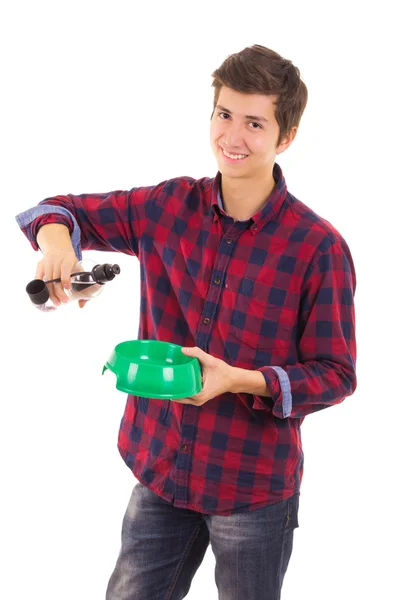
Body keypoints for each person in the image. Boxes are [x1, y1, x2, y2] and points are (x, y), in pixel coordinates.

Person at [15, 44, 357, 600]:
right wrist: (58, 247)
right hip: (161, 466)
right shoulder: (168, 207)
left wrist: (243, 379)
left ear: (285, 136)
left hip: (252, 486)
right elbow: (57, 210)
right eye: (224, 115)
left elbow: (336, 373)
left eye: (254, 123)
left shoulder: (318, 248)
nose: (232, 137)